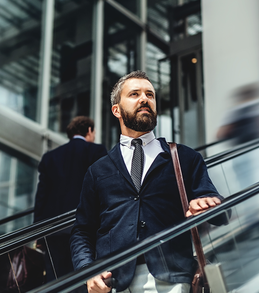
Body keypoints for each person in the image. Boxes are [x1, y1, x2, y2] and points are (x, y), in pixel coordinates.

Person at [70, 71, 226, 293]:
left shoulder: (185, 157)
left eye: (150, 95)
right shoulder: (97, 171)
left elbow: (219, 210)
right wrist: (87, 271)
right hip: (114, 282)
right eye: (134, 94)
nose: (144, 99)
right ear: (116, 110)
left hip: (173, 279)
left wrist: (208, 205)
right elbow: (82, 231)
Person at [34, 116, 107, 283]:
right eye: (93, 132)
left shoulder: (50, 157)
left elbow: (41, 197)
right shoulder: (96, 151)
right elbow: (103, 190)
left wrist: (38, 231)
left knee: (55, 279)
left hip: (53, 230)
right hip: (86, 229)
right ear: (89, 131)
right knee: (84, 277)